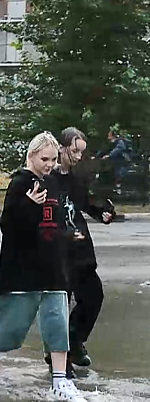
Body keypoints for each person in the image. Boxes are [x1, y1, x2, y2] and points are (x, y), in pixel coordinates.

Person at [0, 132, 89, 402]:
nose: (49, 164)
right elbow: (9, 227)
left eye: (52, 159)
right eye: (44, 159)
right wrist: (28, 204)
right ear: (31, 156)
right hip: (22, 271)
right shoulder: (20, 184)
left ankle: (60, 380)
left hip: (54, 269)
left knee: (57, 324)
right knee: (11, 330)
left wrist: (69, 236)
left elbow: (60, 219)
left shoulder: (54, 184)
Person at [48, 127, 115, 372]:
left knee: (93, 297)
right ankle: (59, 358)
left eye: (81, 153)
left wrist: (102, 213)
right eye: (74, 151)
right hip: (60, 253)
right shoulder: (48, 179)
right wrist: (63, 235)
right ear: (62, 147)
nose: (77, 157)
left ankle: (75, 340)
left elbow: (85, 204)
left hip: (82, 252)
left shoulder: (75, 180)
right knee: (60, 305)